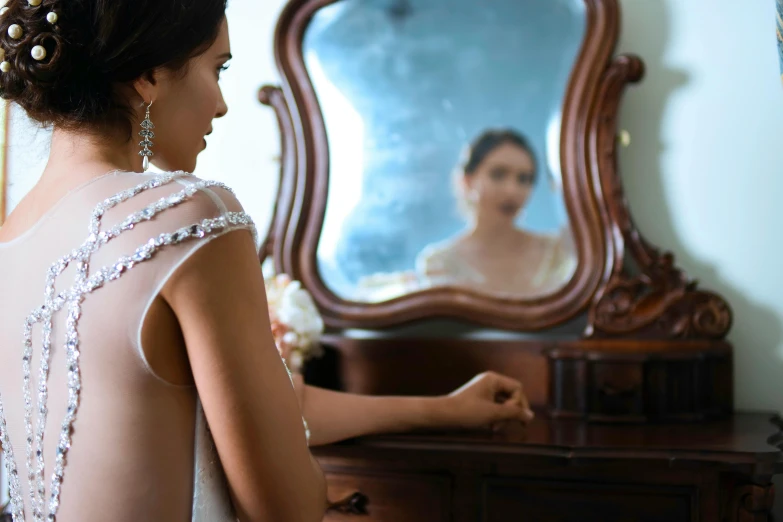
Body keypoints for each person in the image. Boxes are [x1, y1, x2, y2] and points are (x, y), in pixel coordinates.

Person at [0, 2, 532, 521]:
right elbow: (290, 508)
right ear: (149, 74)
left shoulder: (13, 232)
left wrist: (446, 409)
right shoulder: (187, 216)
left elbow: (241, 411)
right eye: (218, 68)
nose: (223, 104)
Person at [416, 129, 577, 297]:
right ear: (468, 180)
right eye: (498, 175)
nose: (512, 190)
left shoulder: (560, 251)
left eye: (524, 179)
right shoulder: (440, 264)